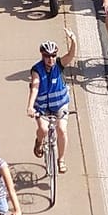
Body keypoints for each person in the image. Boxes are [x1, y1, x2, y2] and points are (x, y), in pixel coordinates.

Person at [28, 36, 79, 170]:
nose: (50, 59)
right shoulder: (37, 70)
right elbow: (35, 87)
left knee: (61, 129)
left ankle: (61, 160)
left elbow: (71, 55)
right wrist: (30, 107)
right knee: (43, 129)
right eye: (47, 56)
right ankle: (39, 142)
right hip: (42, 107)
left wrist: (73, 41)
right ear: (42, 56)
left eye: (53, 55)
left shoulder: (59, 64)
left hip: (60, 104)